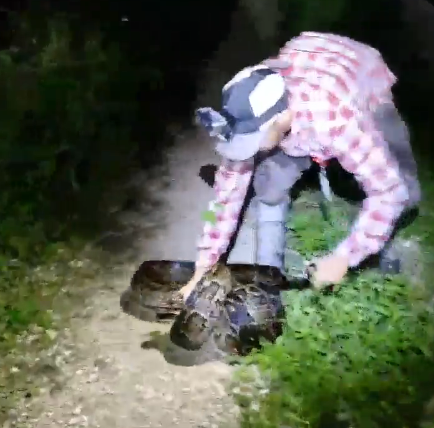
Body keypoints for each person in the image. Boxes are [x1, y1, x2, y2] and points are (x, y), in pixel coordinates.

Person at [180, 31, 421, 299]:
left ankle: (382, 248)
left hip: (361, 70)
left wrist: (344, 258)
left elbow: (389, 191)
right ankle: (268, 276)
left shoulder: (338, 121)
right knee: (269, 189)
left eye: (255, 140)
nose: (251, 151)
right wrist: (203, 266)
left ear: (282, 118)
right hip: (304, 60)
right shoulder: (248, 109)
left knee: (405, 192)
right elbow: (220, 203)